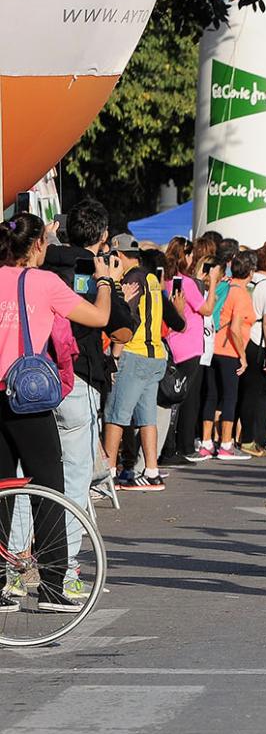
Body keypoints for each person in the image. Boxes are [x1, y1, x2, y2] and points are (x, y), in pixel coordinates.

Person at [1, 213, 115, 612]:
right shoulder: (46, 282)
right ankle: (52, 584)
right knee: (48, 487)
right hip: (27, 398)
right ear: (36, 247)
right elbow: (100, 318)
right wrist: (104, 281)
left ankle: (1, 583)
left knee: (2, 490)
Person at [40, 201, 136, 516]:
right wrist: (113, 284)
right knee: (76, 469)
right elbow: (119, 327)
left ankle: (17, 551)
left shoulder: (42, 263)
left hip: (32, 372)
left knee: (30, 469)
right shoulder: (89, 268)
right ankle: (65, 560)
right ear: (104, 234)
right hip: (77, 373)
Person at [103, 233, 186, 489]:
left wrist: (115, 355)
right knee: (146, 416)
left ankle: (105, 475)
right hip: (155, 356)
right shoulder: (151, 279)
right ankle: (151, 471)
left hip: (134, 354)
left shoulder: (130, 280)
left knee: (116, 415)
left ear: (118, 256)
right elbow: (177, 322)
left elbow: (127, 320)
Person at [160, 237, 219, 465]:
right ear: (185, 255)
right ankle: (173, 448)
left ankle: (169, 447)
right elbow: (206, 309)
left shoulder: (164, 279)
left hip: (172, 343)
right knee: (181, 399)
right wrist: (212, 281)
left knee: (169, 399)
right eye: (191, 254)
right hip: (188, 345)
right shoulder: (185, 282)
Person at [201, 250, 257, 461]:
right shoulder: (241, 294)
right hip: (229, 349)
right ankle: (225, 444)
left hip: (212, 346)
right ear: (251, 272)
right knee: (230, 397)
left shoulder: (224, 285)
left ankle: (206, 442)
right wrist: (242, 355)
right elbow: (235, 328)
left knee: (211, 395)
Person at [239, 245, 266, 456]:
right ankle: (248, 440)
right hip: (256, 341)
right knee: (253, 394)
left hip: (239, 338)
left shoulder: (247, 279)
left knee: (238, 393)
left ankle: (233, 438)